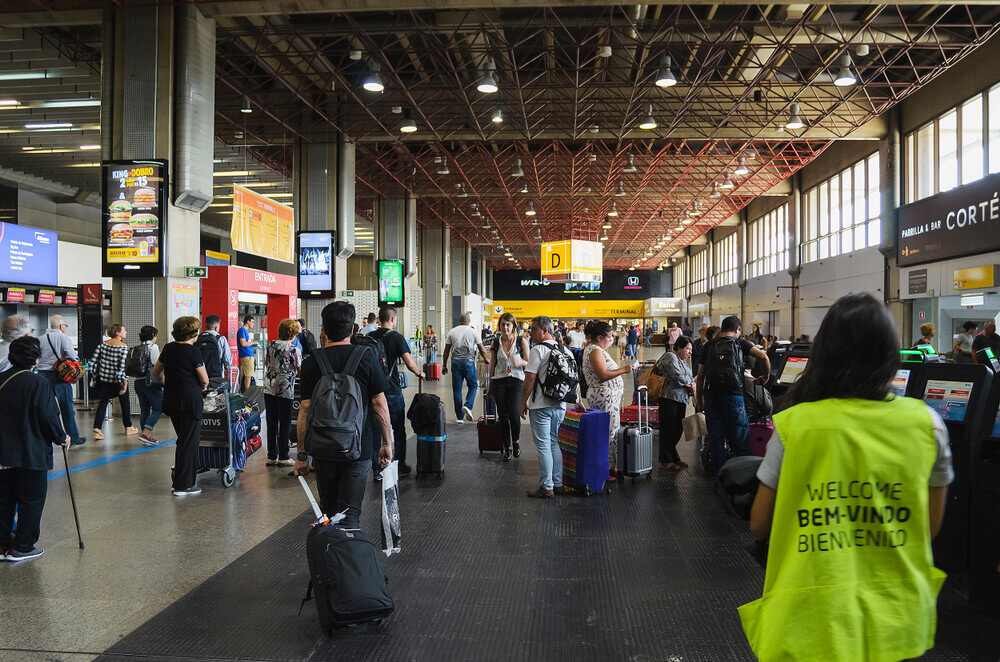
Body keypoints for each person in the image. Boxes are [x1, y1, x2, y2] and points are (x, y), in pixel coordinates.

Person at [741, 293, 953, 662]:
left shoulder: (796, 424)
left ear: (824, 355)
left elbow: (760, 525)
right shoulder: (927, 424)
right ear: (890, 354)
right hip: (893, 614)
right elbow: (928, 527)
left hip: (812, 614)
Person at [294, 301, 394, 528]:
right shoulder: (366, 357)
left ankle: (331, 558)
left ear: (324, 329)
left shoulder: (312, 363)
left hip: (322, 449)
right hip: (358, 448)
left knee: (329, 513)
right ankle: (347, 556)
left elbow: (305, 410)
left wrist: (301, 455)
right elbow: (379, 404)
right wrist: (386, 443)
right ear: (352, 329)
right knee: (349, 515)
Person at [0, 337, 71, 562]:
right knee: (31, 499)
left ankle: (2, 544)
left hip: (3, 452)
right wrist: (61, 436)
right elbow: (48, 416)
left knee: (3, 499)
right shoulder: (38, 383)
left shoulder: (2, 379)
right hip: (30, 452)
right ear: (37, 358)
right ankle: (21, 546)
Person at [694, 316, 770, 477]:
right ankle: (742, 478)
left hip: (712, 398)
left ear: (722, 329)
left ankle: (720, 479)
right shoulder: (740, 343)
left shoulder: (709, 345)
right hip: (733, 396)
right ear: (737, 330)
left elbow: (700, 376)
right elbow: (763, 357)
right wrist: (766, 375)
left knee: (716, 441)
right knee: (741, 439)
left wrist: (699, 400)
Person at [520, 316, 583, 498]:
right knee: (554, 442)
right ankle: (558, 483)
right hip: (560, 405)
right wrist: (578, 399)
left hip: (541, 405)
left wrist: (523, 401)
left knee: (543, 445)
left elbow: (530, 379)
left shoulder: (537, 350)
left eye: (534, 329)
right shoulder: (566, 350)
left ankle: (546, 487)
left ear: (545, 331)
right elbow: (574, 379)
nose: (531, 333)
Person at [151, 317, 209, 497]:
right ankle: (183, 485)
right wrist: (204, 387)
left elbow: (156, 372)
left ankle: (181, 480)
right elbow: (204, 379)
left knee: (183, 439)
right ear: (193, 333)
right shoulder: (194, 352)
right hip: (190, 400)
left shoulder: (168, 348)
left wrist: (166, 383)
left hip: (172, 399)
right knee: (189, 442)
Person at [368, 306, 424, 477]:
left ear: (379, 319)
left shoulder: (369, 337)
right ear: (392, 319)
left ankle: (377, 469)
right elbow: (409, 362)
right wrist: (419, 373)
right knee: (398, 428)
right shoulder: (397, 337)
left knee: (376, 430)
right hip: (392, 390)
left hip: (373, 391)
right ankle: (400, 466)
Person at [581, 321, 633, 479]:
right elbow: (602, 375)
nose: (611, 340)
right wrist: (623, 370)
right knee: (609, 432)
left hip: (607, 396)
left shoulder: (597, 350)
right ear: (599, 337)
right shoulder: (595, 351)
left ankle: (607, 466)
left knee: (609, 431)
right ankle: (606, 468)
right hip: (604, 397)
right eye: (609, 337)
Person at [486, 312, 530, 461]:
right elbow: (492, 364)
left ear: (513, 326)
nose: (505, 327)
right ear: (499, 326)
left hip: (516, 380)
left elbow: (529, 363)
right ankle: (507, 447)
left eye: (508, 325)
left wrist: (520, 362)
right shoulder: (495, 343)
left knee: (514, 412)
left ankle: (516, 442)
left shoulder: (520, 341)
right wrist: (490, 385)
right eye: (503, 324)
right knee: (503, 415)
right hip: (499, 381)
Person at [37, 315, 83, 447]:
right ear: (61, 326)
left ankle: (49, 437)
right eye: (66, 326)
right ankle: (72, 438)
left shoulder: (40, 338)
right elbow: (70, 355)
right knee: (67, 408)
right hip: (59, 376)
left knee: (46, 408)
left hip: (42, 375)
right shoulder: (63, 337)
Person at [263, 319, 303, 467]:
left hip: (269, 387)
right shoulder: (294, 350)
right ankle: (284, 456)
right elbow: (300, 370)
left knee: (271, 422)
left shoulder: (271, 345)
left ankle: (271, 456)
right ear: (293, 333)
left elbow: (268, 363)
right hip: (285, 389)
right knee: (285, 422)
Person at [91, 323, 137, 440]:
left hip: (104, 380)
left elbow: (93, 362)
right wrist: (125, 383)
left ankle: (97, 429)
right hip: (118, 381)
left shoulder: (102, 345)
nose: (125, 332)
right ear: (118, 333)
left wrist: (96, 376)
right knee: (125, 403)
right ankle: (128, 427)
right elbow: (122, 367)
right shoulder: (123, 347)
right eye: (124, 330)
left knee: (103, 403)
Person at [442, 313, 489, 424]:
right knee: (473, 386)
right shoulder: (473, 332)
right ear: (469, 321)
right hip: (469, 362)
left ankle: (459, 417)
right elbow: (481, 349)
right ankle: (468, 405)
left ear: (460, 320)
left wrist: (444, 365)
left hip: (455, 362)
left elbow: (446, 351)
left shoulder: (452, 331)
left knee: (457, 389)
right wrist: (487, 359)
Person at [656, 336, 694, 470]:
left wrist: (691, 384)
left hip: (681, 399)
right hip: (669, 398)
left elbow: (688, 376)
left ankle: (673, 457)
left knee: (678, 429)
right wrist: (691, 384)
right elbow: (677, 376)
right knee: (668, 429)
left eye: (691, 349)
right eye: (687, 348)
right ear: (678, 347)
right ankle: (665, 460)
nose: (689, 352)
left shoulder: (683, 361)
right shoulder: (670, 356)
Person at [133, 325, 163, 446]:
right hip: (150, 382)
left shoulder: (137, 348)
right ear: (152, 336)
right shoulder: (153, 347)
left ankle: (145, 436)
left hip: (138, 382)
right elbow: (157, 365)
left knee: (144, 409)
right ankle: (146, 433)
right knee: (159, 408)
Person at [197, 315, 232, 390]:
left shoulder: (198, 338)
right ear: (216, 327)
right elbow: (228, 361)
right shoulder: (221, 339)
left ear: (205, 325)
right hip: (216, 377)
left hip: (199, 377)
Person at [237, 316, 259, 393]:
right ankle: (247, 393)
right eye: (252, 322)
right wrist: (254, 342)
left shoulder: (245, 330)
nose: (253, 324)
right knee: (248, 375)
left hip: (248, 355)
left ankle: (243, 391)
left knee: (245, 374)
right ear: (248, 322)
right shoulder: (242, 330)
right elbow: (243, 343)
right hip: (246, 355)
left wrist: (252, 344)